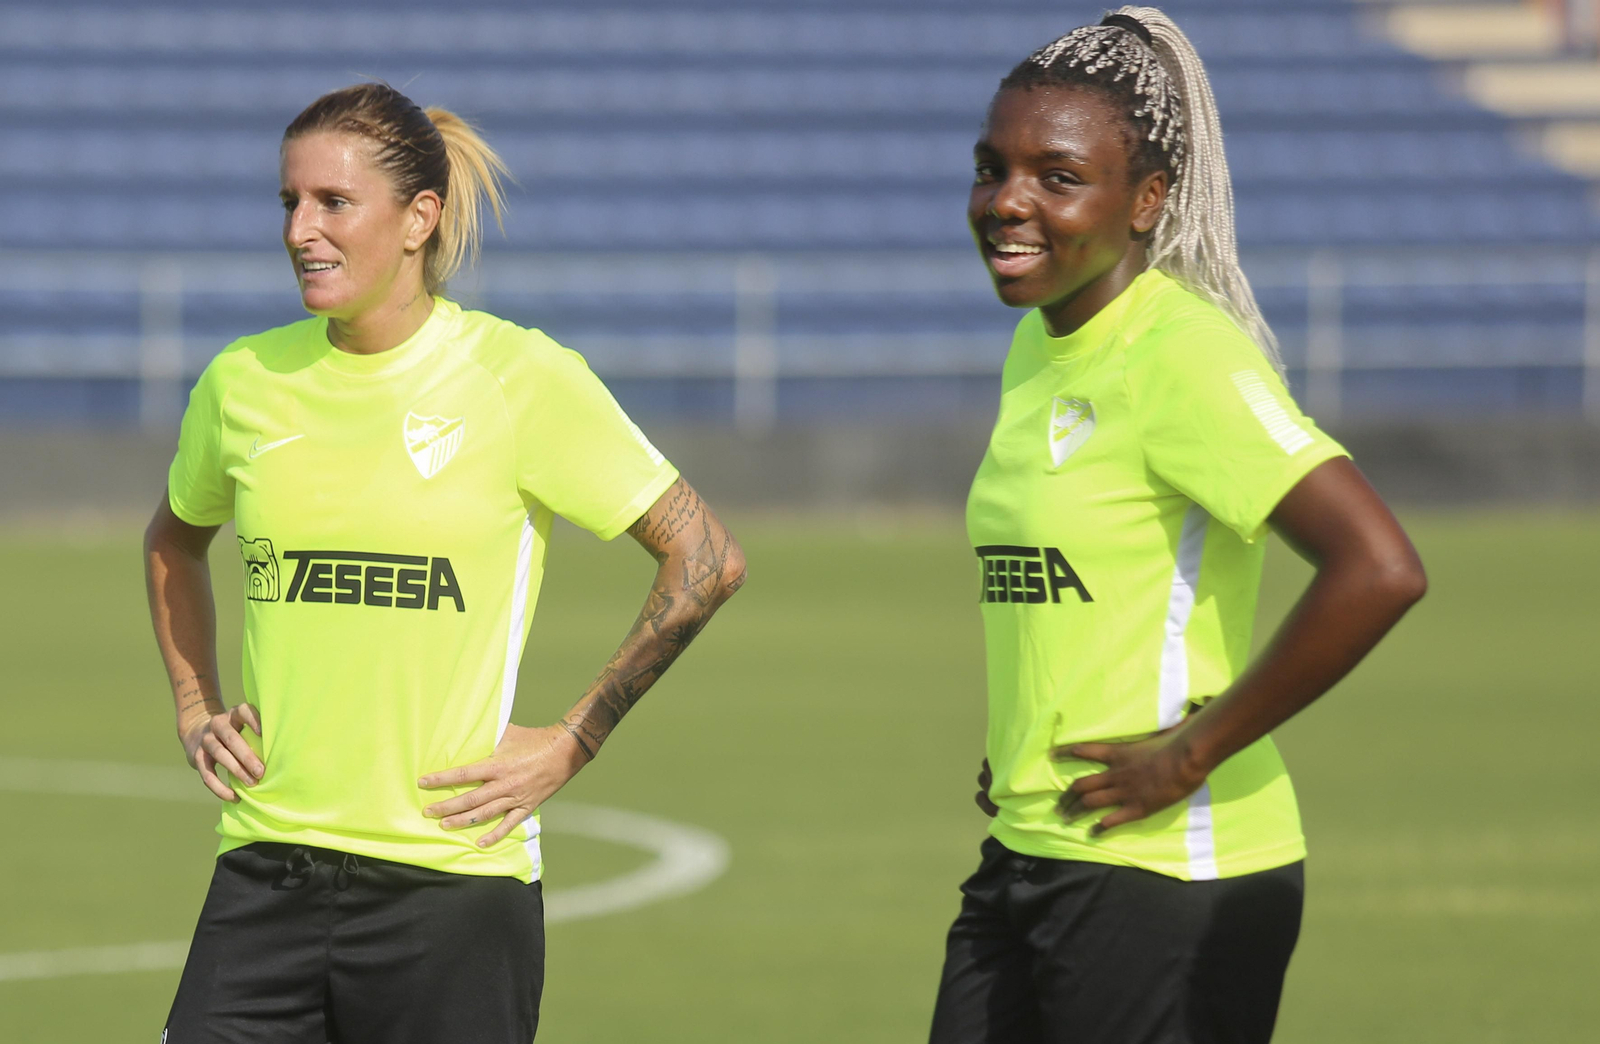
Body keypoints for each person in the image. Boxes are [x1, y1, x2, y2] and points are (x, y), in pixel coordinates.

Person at [143, 82, 745, 1043]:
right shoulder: (243, 381)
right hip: (265, 873)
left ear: (420, 218)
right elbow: (175, 535)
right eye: (289, 202)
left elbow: (706, 558)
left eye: (333, 203)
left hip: (452, 892)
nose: (301, 229)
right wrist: (193, 704)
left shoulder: (522, 379)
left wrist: (574, 736)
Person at [929, 9, 1426, 1044]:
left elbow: (1378, 567)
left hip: (1166, 870)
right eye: (991, 168)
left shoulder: (1183, 357)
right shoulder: (1040, 348)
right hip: (1034, 849)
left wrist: (1186, 755)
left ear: (1147, 200)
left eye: (1056, 177)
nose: (1007, 202)